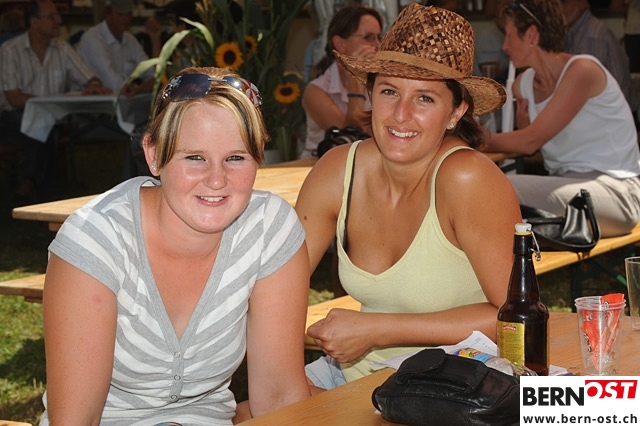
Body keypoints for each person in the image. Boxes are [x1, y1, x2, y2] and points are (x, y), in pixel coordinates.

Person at [39, 66, 312, 425]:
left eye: (235, 157)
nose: (217, 179)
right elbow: (75, 420)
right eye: (194, 157)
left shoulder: (269, 228)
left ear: (259, 155)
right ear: (153, 154)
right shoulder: (96, 239)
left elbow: (279, 397)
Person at [295, 3, 521, 390]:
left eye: (425, 98)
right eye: (389, 91)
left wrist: (377, 329)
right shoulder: (338, 170)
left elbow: (515, 319)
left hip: (454, 388)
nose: (400, 115)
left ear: (456, 112)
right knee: (246, 414)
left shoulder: (467, 178)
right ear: (369, 94)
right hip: (353, 376)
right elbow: (279, 290)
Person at [484, 0, 640, 238]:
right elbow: (529, 140)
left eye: (509, 36)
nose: (504, 46)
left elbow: (529, 141)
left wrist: (473, 138)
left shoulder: (582, 71)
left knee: (495, 187)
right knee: (493, 191)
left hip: (617, 192)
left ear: (531, 35)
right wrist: (525, 129)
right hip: (566, 187)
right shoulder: (523, 85)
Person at [0, 0, 110, 202]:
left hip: (52, 120)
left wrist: (93, 85)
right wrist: (46, 105)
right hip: (12, 118)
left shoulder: (62, 49)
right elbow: (13, 98)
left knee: (47, 125)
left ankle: (31, 183)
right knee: (45, 125)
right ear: (34, 22)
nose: (59, 20)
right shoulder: (10, 50)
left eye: (57, 15)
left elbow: (89, 77)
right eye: (51, 16)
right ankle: (47, 190)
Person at [299, 3, 383, 158]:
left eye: (379, 37)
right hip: (320, 166)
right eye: (368, 38)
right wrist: (356, 83)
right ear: (340, 44)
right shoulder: (315, 91)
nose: (377, 45)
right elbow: (352, 136)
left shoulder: (381, 83)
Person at [561, 0, 636, 116]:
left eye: (564, 2)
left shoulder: (591, 38)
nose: (559, 8)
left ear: (582, 3)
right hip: (609, 113)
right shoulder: (578, 31)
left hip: (615, 118)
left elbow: (582, 94)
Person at [76, 0, 158, 96]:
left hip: (117, 102)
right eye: (120, 14)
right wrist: (140, 88)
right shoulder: (92, 38)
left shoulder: (129, 39)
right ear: (108, 14)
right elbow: (114, 84)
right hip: (89, 104)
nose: (126, 18)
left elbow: (154, 75)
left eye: (129, 14)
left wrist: (155, 40)